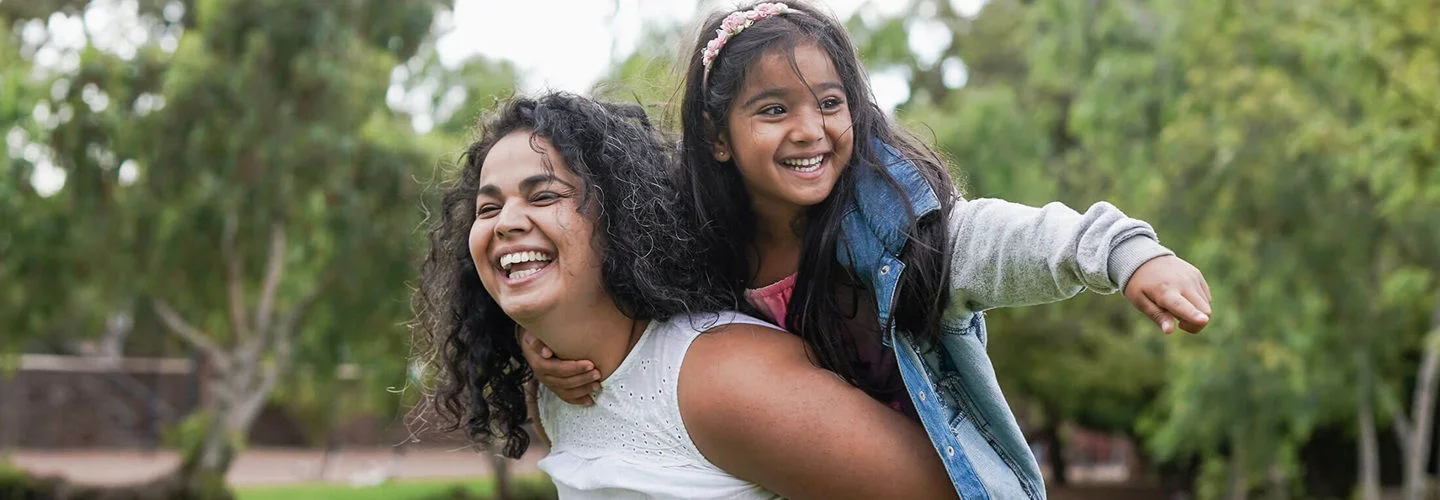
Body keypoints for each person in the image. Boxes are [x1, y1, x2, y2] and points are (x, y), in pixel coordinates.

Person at [522, 2, 1213, 498]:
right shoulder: (695, 248)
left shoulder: (899, 234)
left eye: (829, 102)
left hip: (944, 476)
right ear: (716, 135)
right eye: (773, 109)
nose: (810, 129)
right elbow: (616, 306)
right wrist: (547, 350)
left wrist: (1128, 254)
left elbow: (1011, 238)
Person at [414, 92, 958, 499]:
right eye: (488, 208)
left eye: (545, 195)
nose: (507, 222)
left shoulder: (720, 381)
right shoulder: (559, 388)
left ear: (621, 219)